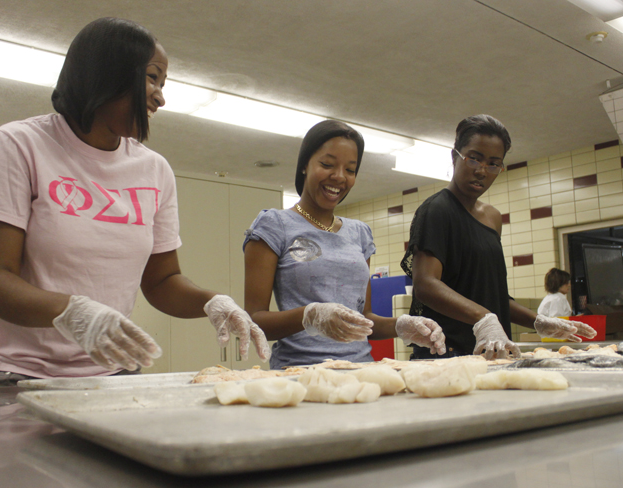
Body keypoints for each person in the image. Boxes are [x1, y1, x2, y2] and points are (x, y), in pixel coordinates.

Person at [0, 17, 269, 387]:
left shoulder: (154, 170)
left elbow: (162, 280)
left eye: (163, 83)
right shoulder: (19, 145)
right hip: (19, 375)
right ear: (106, 74)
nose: (161, 96)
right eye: (152, 78)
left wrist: (212, 302)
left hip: (113, 373)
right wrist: (72, 311)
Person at [243, 120, 445, 369]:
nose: (339, 177)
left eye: (350, 170)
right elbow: (254, 320)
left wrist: (401, 325)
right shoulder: (274, 224)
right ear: (305, 165)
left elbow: (364, 320)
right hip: (299, 372)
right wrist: (310, 315)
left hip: (360, 370)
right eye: (327, 164)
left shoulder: (359, 233)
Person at [400, 114, 596, 360]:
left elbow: (492, 296)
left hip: (493, 352)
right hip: (446, 354)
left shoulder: (492, 217)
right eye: (474, 158)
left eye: (494, 163)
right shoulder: (437, 210)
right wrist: (483, 318)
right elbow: (426, 285)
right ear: (455, 156)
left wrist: (539, 321)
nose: (482, 171)